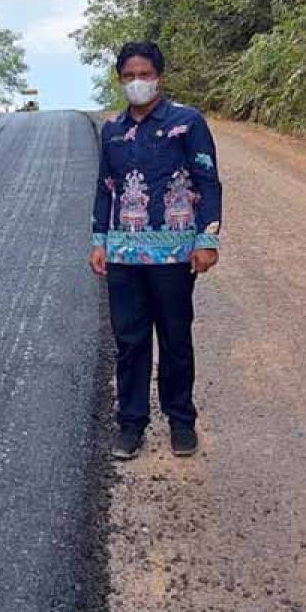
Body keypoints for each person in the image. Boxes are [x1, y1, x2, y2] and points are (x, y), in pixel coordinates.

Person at [89, 41, 222, 460]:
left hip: (175, 255)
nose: (136, 83)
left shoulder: (187, 123)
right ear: (119, 80)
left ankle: (181, 421)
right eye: (128, 76)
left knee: (175, 337)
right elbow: (104, 189)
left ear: (159, 77)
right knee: (129, 341)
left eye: (144, 74)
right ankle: (131, 424)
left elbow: (208, 181)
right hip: (123, 256)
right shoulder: (111, 130)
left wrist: (207, 239)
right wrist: (99, 241)